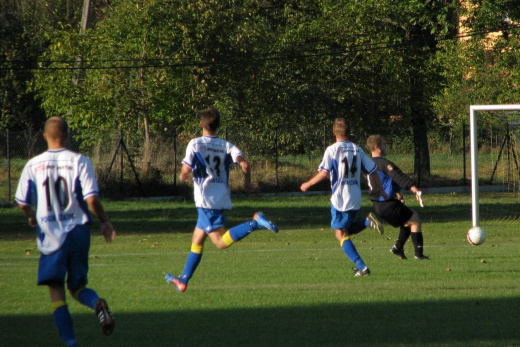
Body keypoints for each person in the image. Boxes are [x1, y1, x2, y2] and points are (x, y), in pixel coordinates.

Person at [14, 116, 116, 347]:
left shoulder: (33, 164)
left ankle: (71, 343)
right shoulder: (80, 161)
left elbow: (21, 202)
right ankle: (96, 302)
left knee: (57, 293)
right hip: (78, 232)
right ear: (67, 135)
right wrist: (105, 221)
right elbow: (91, 199)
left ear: (44, 136)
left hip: (51, 235)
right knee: (78, 287)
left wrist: (31, 215)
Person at [165, 107, 279, 292]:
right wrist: (247, 183)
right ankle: (183, 279)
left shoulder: (195, 144)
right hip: (220, 196)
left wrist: (183, 175)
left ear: (202, 124)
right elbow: (245, 164)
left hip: (205, 200)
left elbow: (185, 168)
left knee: (219, 243)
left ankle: (255, 223)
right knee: (197, 239)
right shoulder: (227, 145)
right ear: (218, 125)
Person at [300, 118, 386, 277]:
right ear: (349, 131)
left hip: (340, 198)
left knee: (340, 233)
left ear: (333, 132)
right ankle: (367, 223)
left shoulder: (332, 150)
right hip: (355, 196)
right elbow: (373, 170)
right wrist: (382, 190)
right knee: (342, 230)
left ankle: (362, 267)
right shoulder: (357, 149)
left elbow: (324, 172)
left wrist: (308, 184)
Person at [366, 134, 429, 260]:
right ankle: (419, 255)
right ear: (378, 146)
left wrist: (397, 192)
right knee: (415, 219)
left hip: (378, 205)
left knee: (407, 221)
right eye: (384, 143)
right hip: (386, 203)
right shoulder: (384, 163)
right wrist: (413, 188)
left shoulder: (368, 164)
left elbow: (384, 181)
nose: (385, 146)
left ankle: (398, 248)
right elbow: (398, 176)